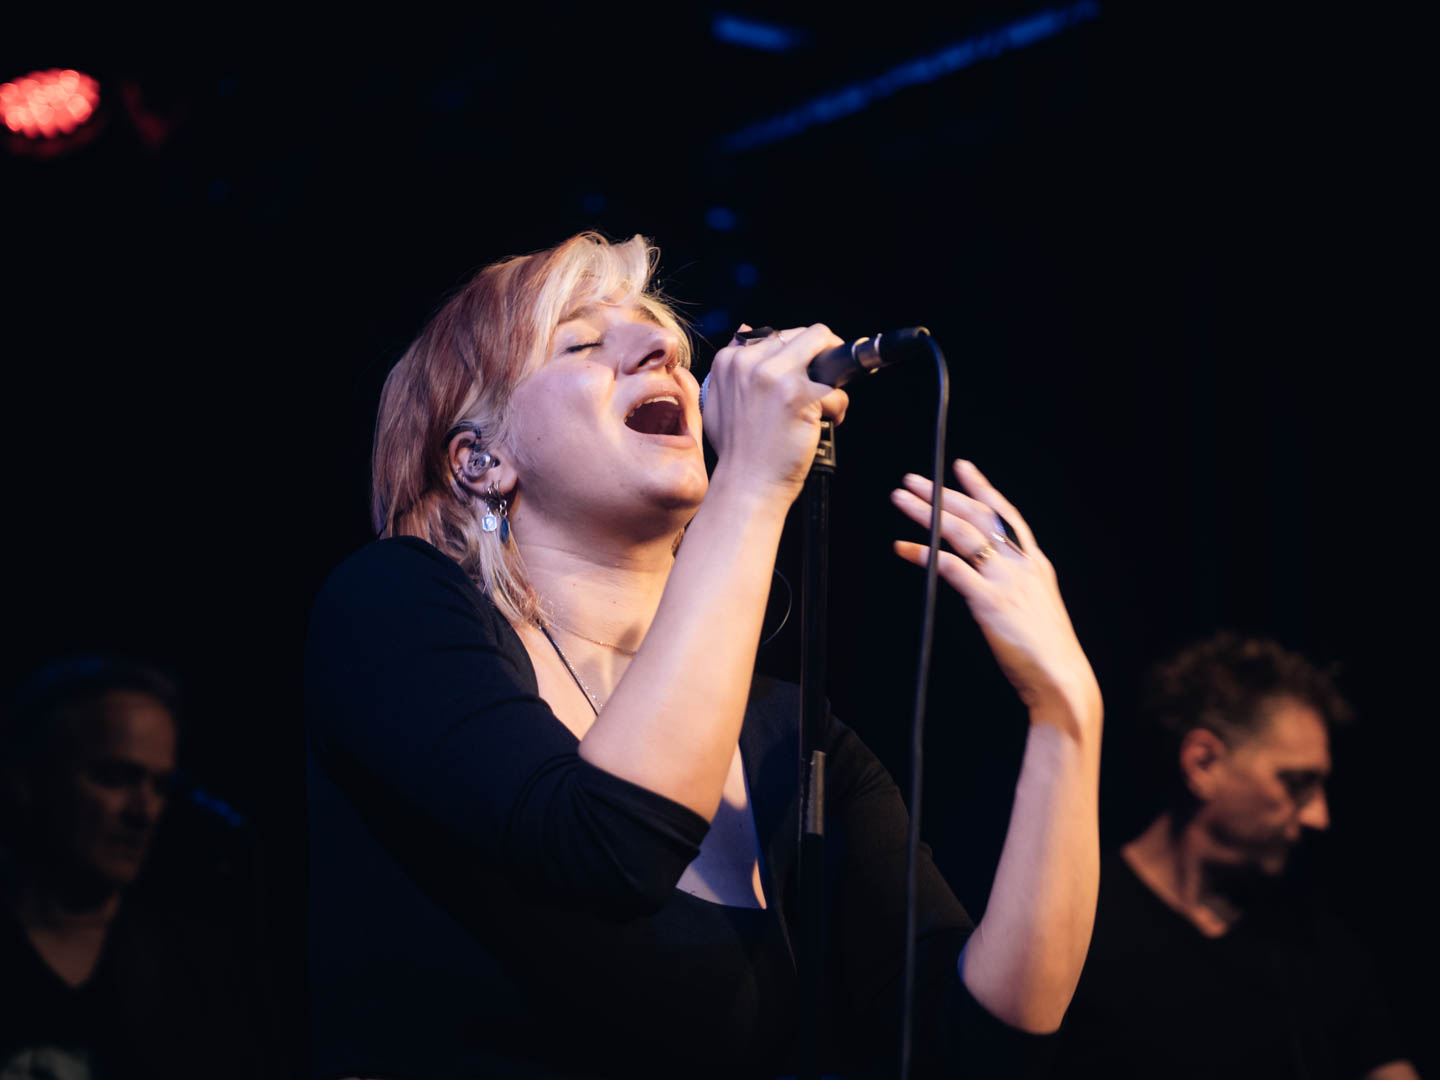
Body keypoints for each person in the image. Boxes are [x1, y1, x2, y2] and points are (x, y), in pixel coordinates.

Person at [305, 232, 1104, 1077]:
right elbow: (608, 847)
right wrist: (752, 483)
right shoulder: (394, 606)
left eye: (669, 346)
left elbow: (969, 1042)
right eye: (581, 343)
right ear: (481, 459)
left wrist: (1068, 716)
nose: (664, 352)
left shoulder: (789, 739)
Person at [1053, 633, 1418, 1079]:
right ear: (1203, 764)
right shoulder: (1077, 924)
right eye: (1296, 783)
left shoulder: (1315, 941)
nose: (1318, 817)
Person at [0, 655, 265, 1079]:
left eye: (160, 786)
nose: (145, 812)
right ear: (28, 780)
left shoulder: (192, 970)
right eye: (115, 777)